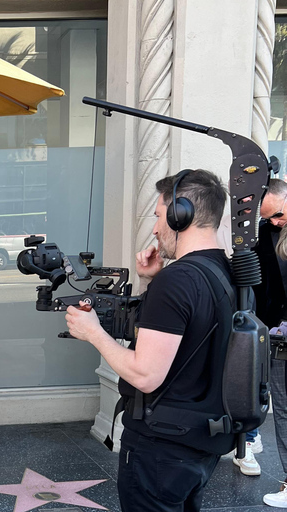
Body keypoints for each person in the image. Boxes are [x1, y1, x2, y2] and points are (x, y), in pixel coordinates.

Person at [65, 169, 231, 512]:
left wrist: (93, 332)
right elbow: (182, 338)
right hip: (201, 442)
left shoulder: (178, 280)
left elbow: (145, 374)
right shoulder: (223, 271)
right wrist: (148, 284)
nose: (155, 228)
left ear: (179, 214)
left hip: (162, 447)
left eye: (158, 216)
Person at [255, 178, 287, 507]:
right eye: (268, 218)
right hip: (278, 337)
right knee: (284, 412)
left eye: (277, 214)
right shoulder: (265, 233)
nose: (274, 222)